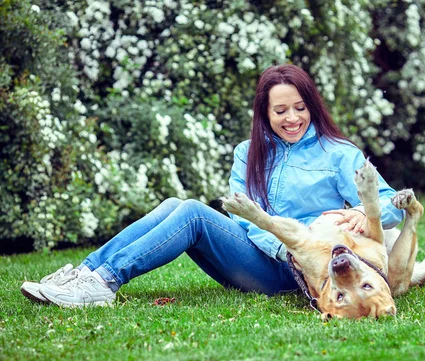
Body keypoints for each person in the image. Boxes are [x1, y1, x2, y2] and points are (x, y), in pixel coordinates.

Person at [20, 64, 405, 307]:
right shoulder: (248, 152)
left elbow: (388, 202)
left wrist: (358, 211)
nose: (292, 118)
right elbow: (247, 214)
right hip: (264, 255)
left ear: (312, 107)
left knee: (190, 212)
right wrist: (279, 244)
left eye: (300, 108)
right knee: (175, 204)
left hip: (305, 272)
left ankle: (103, 282)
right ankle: (85, 274)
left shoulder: (338, 152)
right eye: (281, 110)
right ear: (265, 113)